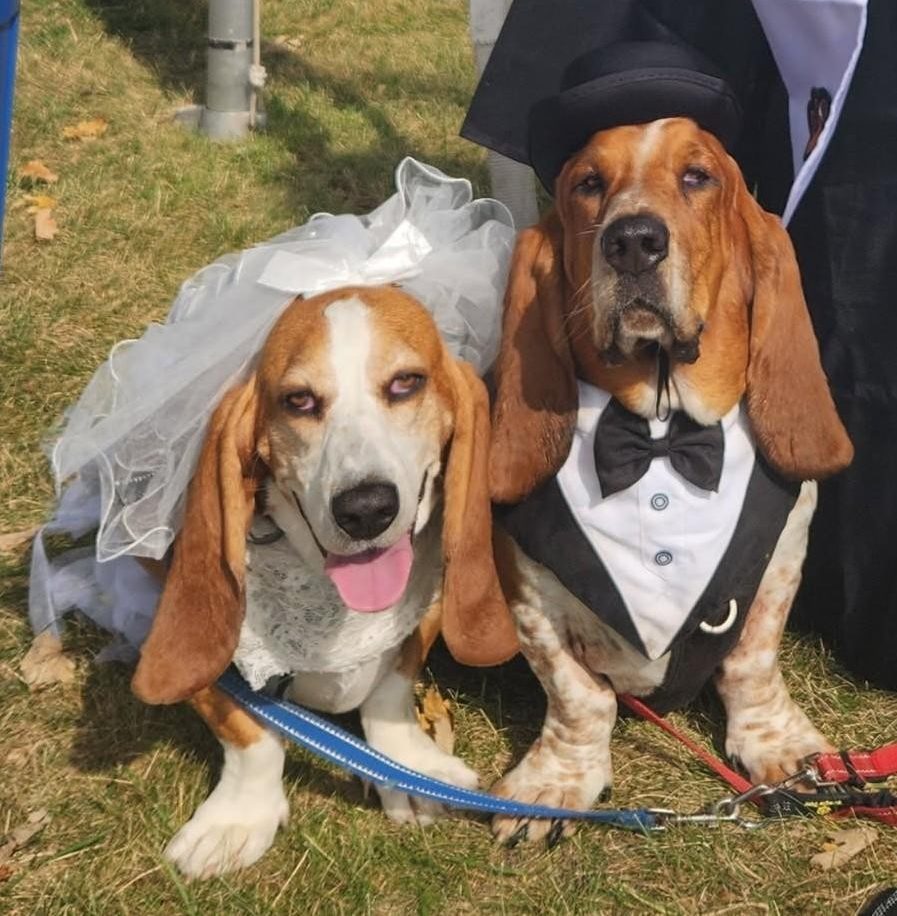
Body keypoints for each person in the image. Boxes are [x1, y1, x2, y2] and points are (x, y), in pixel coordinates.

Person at [463, 0, 897, 690]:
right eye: (590, 186)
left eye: (692, 178)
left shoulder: (764, 252)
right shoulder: (540, 260)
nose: (633, 230)